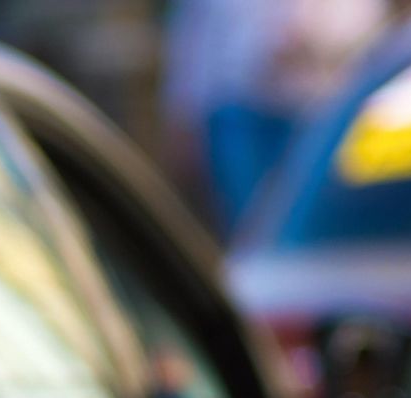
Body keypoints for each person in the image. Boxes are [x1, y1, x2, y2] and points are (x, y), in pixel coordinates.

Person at [163, 0, 388, 233]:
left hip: (315, 114)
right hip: (240, 111)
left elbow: (369, 41)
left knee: (301, 222)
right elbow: (195, 44)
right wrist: (183, 122)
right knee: (250, 227)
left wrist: (310, 46)